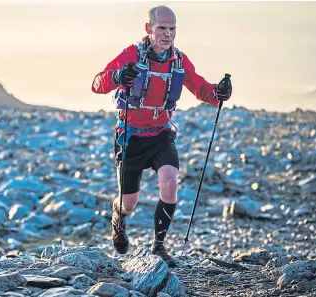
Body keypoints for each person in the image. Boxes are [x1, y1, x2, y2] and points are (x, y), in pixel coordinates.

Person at [91, 5, 232, 267]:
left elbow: (201, 88)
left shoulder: (178, 60)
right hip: (130, 136)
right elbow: (97, 83)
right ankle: (118, 218)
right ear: (149, 29)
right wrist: (118, 76)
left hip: (160, 135)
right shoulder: (131, 54)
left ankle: (158, 246)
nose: (168, 34)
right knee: (129, 202)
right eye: (162, 28)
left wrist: (218, 93)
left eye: (172, 29)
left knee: (169, 182)